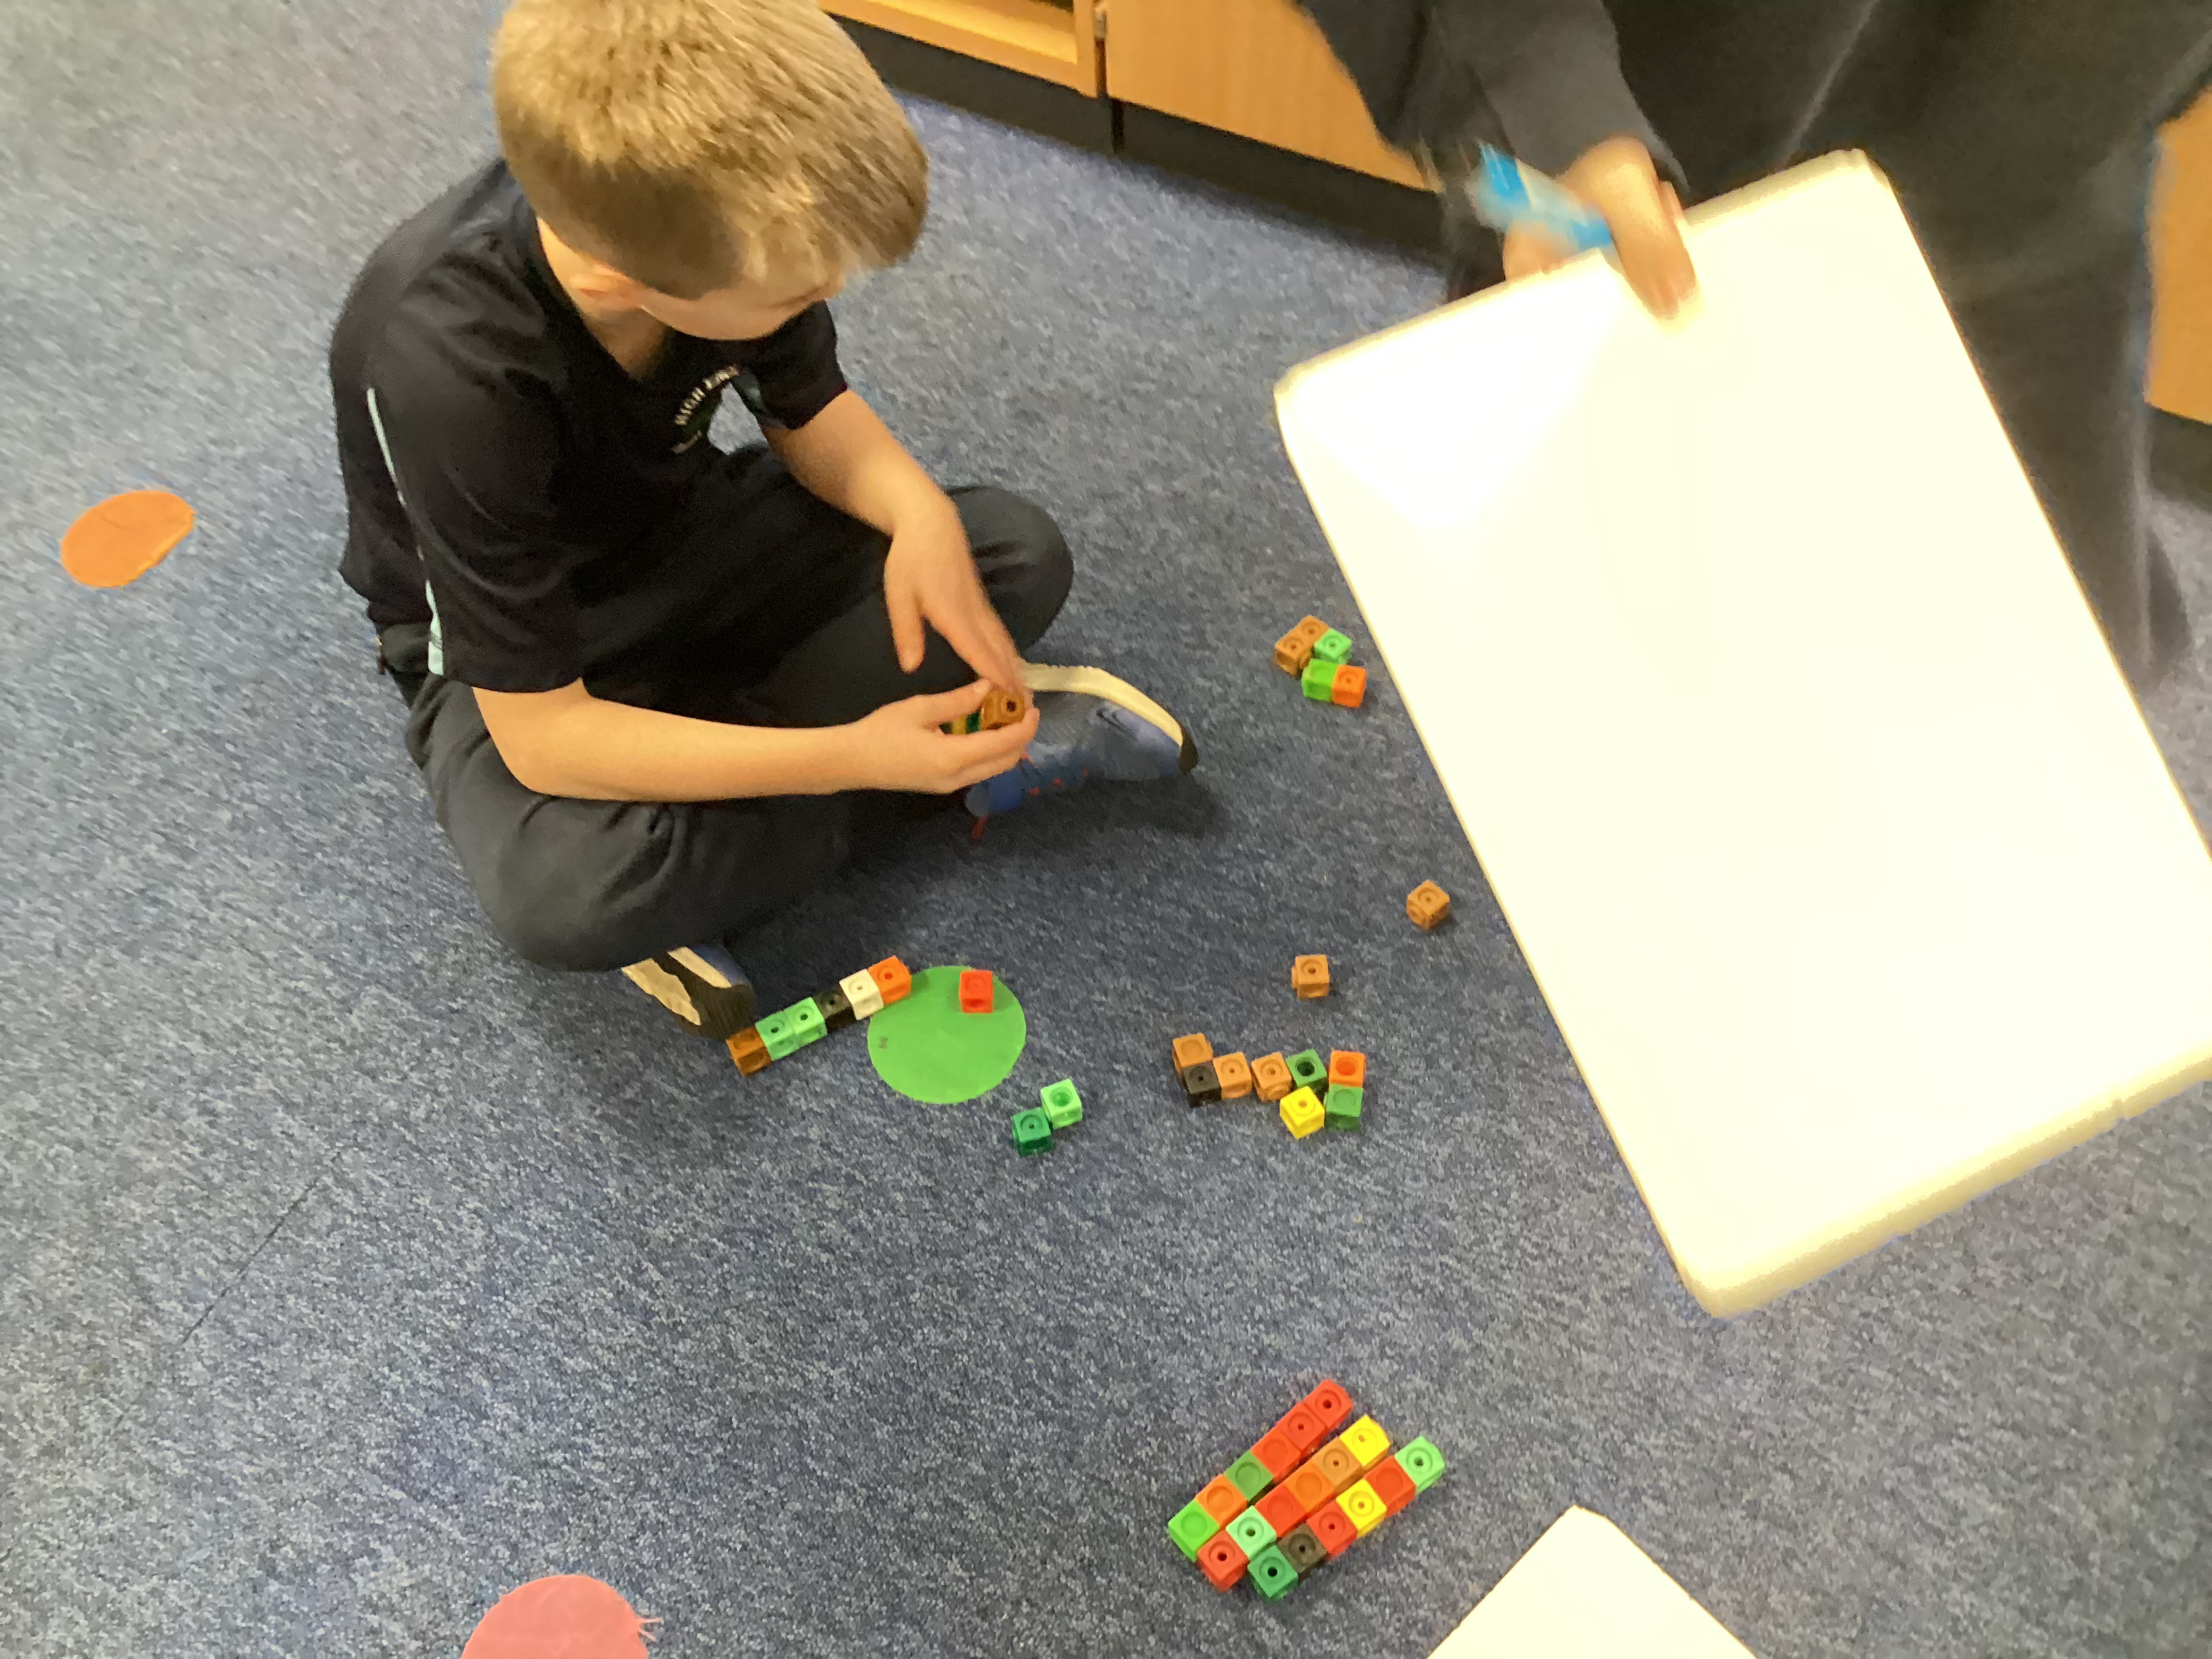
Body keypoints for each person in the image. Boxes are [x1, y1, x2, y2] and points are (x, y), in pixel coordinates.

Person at [330, 0, 1193, 1040]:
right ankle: (929, 764)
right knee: (568, 899)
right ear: (623, 282)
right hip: (512, 667)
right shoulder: (453, 368)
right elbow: (547, 738)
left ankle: (751, 792)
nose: (820, 297)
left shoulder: (715, 221)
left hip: (688, 538)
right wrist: (859, 756)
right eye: (793, 297)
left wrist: (916, 512)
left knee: (1011, 553)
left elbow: (810, 414)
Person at [1302, 0, 2207, 693]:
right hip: (1673, 235)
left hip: (2044, 232)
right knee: (1642, 702)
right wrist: (1531, 91)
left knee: (2042, 719)